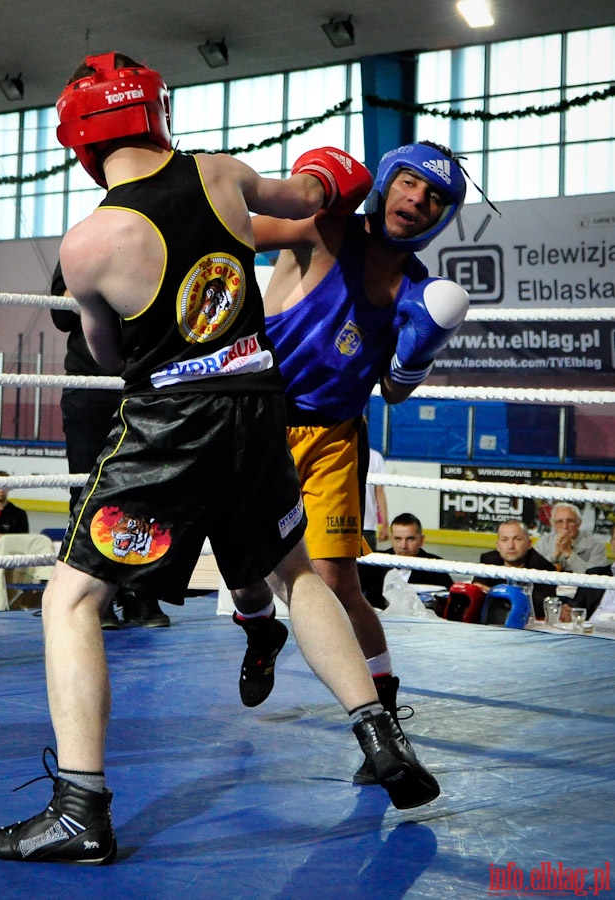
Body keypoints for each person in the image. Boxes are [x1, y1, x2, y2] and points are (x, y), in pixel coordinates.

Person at [0, 52, 440, 867]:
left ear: (79, 142)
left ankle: (81, 810)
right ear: (158, 116)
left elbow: (111, 353)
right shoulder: (222, 175)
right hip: (260, 408)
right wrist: (334, 175)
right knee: (294, 573)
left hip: (170, 424)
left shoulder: (90, 243)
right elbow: (316, 192)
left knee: (72, 600)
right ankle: (380, 735)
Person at [252, 141, 469, 728]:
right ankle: (258, 632)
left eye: (435, 198)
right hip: (256, 420)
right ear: (388, 181)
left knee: (334, 578)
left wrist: (417, 354)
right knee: (248, 562)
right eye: (410, 184)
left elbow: (394, 393)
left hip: (333, 438)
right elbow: (234, 234)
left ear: (442, 216)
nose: (417, 200)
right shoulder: (324, 229)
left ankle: (384, 710)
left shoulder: (416, 293)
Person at [51, 262, 171, 628]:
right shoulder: (81, 243)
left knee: (146, 490)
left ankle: (141, 593)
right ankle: (94, 596)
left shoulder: (154, 240)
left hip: (143, 385)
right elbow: (61, 313)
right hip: (89, 387)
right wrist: (105, 285)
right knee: (87, 491)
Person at [358, 513, 454, 610]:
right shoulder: (374, 562)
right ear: (391, 540)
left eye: (410, 539)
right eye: (398, 539)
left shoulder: (435, 566)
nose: (403, 546)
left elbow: (451, 601)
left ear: (421, 540)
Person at [473, 518, 557, 618]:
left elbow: (538, 607)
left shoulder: (543, 567)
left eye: (517, 539)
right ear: (498, 546)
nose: (511, 546)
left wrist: (493, 593)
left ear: (529, 544)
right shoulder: (488, 560)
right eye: (504, 540)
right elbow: (477, 591)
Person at [533, 502, 608, 600]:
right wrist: (555, 555)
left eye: (570, 521)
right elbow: (534, 572)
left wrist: (568, 553)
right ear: (553, 525)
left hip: (583, 598)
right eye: (559, 521)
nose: (565, 526)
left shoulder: (596, 545)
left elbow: (595, 579)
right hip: (548, 596)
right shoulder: (543, 542)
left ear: (579, 523)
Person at [560, 521, 615, 623]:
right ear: (611, 544)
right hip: (590, 635)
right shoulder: (594, 575)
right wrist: (570, 614)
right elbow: (575, 609)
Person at [360, 435, 389, 551]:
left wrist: (385, 523)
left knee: (367, 568)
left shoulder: (376, 458)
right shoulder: (338, 455)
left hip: (368, 525)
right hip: (341, 523)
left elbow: (380, 492)